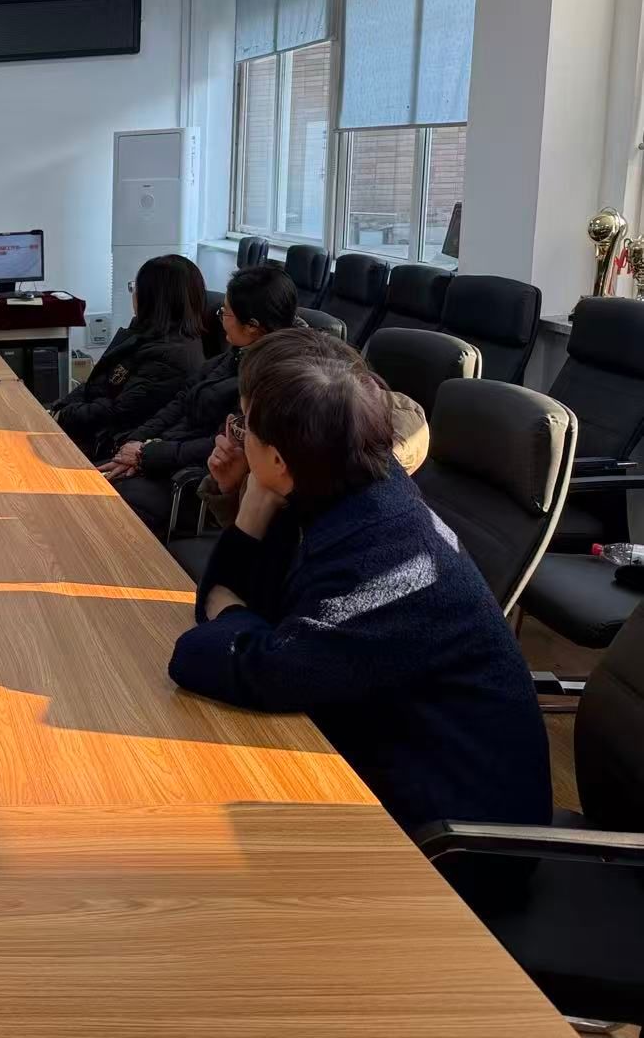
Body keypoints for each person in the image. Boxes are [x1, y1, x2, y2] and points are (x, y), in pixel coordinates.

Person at [168, 329, 551, 833]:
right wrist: (255, 503)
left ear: (280, 459)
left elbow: (226, 658)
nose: (235, 437)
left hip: (454, 833)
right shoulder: (342, 483)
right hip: (387, 751)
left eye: (243, 427)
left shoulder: (385, 558)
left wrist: (234, 614)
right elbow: (230, 608)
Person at [100, 264, 300, 533]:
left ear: (252, 326)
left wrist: (147, 454)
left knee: (106, 510)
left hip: (193, 481)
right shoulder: (236, 354)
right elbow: (181, 400)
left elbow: (220, 445)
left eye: (225, 313)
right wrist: (136, 442)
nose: (219, 318)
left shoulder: (272, 379)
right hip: (162, 456)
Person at [50, 254, 206, 462]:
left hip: (109, 446)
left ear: (153, 299)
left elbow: (117, 411)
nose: (133, 294)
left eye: (135, 288)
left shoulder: (171, 357)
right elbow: (96, 384)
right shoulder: (143, 334)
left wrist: (63, 415)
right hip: (90, 429)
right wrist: (60, 408)